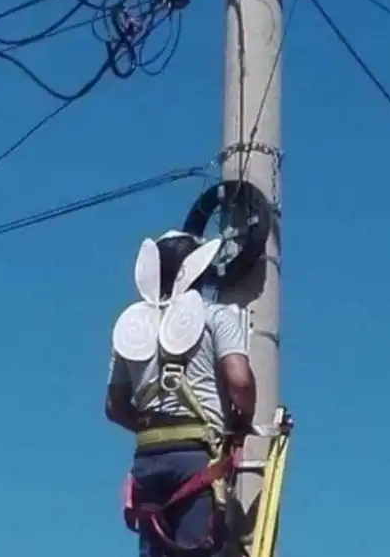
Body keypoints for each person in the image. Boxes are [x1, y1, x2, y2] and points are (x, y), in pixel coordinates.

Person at [105, 230, 256, 557]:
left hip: (148, 459)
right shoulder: (216, 316)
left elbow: (115, 407)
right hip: (196, 456)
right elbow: (240, 382)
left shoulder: (131, 327)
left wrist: (156, 428)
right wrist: (242, 423)